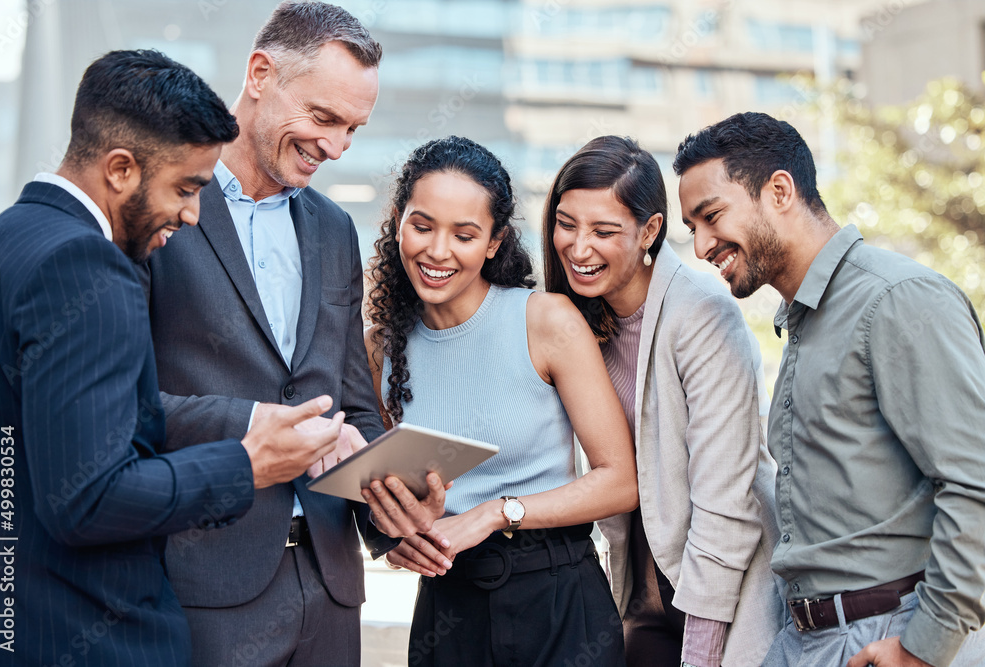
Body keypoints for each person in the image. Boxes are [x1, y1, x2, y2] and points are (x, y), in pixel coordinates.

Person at [0, 49, 347, 667]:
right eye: (184, 188)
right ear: (121, 168)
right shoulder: (87, 265)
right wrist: (244, 463)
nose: (191, 213)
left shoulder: (4, 238)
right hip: (92, 631)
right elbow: (87, 499)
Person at [140, 3, 447, 666]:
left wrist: (389, 503)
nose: (336, 147)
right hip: (203, 589)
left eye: (353, 129)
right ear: (259, 74)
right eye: (324, 117)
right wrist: (260, 424)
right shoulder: (158, 205)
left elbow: (352, 403)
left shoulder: (335, 229)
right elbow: (130, 406)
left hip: (331, 592)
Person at [674, 111, 985, 667]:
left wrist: (924, 650)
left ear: (779, 190)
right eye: (691, 227)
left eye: (711, 216)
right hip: (806, 639)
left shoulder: (896, 299)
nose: (700, 247)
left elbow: (975, 483)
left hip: (891, 635)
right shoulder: (803, 322)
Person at [362, 135, 637, 667]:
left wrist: (494, 514)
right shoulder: (380, 347)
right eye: (421, 226)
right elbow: (380, 490)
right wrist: (396, 537)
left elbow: (620, 480)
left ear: (493, 242)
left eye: (464, 235)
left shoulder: (546, 321)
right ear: (398, 221)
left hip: (557, 598)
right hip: (448, 603)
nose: (437, 251)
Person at [541, 135, 783, 667]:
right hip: (644, 596)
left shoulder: (701, 315)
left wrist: (701, 654)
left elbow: (727, 501)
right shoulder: (574, 323)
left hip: (724, 598)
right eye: (566, 224)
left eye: (604, 231)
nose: (579, 249)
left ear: (650, 230)